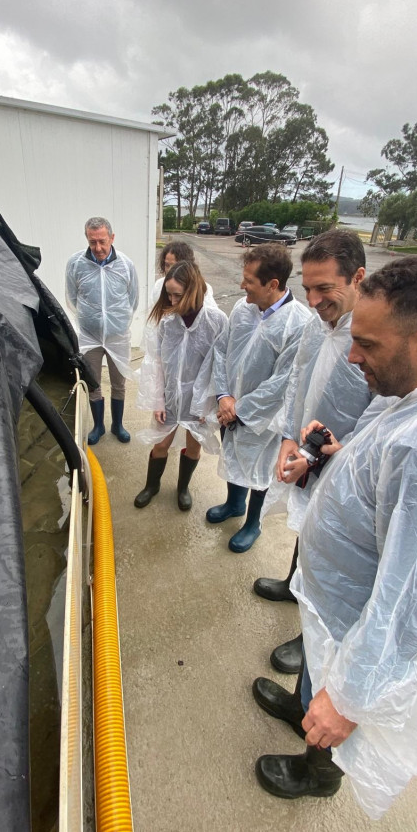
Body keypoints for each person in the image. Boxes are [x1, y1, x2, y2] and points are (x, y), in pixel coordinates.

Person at [255, 257, 417, 820]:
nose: (353, 355)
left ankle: (316, 772)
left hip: (356, 623)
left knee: (333, 701)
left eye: (367, 343)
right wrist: (336, 459)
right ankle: (305, 705)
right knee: (318, 673)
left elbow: (410, 600)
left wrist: (349, 700)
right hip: (335, 606)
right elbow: (386, 482)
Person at [251, 231, 370, 693]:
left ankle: (309, 637)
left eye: (325, 289)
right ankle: (292, 582)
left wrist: (315, 459)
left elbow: (372, 422)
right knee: (306, 530)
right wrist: (287, 437)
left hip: (341, 471)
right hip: (306, 453)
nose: (314, 299)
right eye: (308, 288)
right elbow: (299, 380)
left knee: (331, 554)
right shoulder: (319, 326)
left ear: (358, 277)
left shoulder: (371, 336)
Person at [207, 244, 310, 552]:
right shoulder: (242, 308)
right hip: (230, 407)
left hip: (264, 417)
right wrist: (224, 396)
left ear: (273, 284)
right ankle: (234, 504)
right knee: (234, 456)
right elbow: (221, 349)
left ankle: (253, 523)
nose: (242, 286)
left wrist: (240, 408)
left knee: (261, 470)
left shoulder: (299, 323)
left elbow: (283, 382)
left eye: (249, 280)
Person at [134, 261, 228, 511]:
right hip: (171, 398)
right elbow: (157, 364)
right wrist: (158, 400)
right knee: (161, 444)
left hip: (200, 402)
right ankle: (151, 485)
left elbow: (221, 367)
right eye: (169, 295)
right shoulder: (168, 322)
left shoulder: (216, 321)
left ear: (194, 289)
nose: (172, 301)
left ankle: (183, 487)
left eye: (178, 295)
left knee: (193, 444)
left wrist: (208, 406)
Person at [66, 217, 138, 445]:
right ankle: (98, 426)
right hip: (90, 336)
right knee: (94, 383)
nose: (97, 248)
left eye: (102, 241)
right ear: (87, 238)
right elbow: (72, 298)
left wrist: (117, 321)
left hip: (117, 336)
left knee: (119, 383)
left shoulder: (126, 265)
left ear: (112, 238)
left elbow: (132, 300)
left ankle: (118, 425)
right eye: (92, 241)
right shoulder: (76, 264)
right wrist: (92, 319)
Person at [149, 241, 215, 307]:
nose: (170, 270)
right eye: (167, 265)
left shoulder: (202, 287)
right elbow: (154, 312)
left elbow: (211, 314)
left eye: (174, 265)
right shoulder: (159, 285)